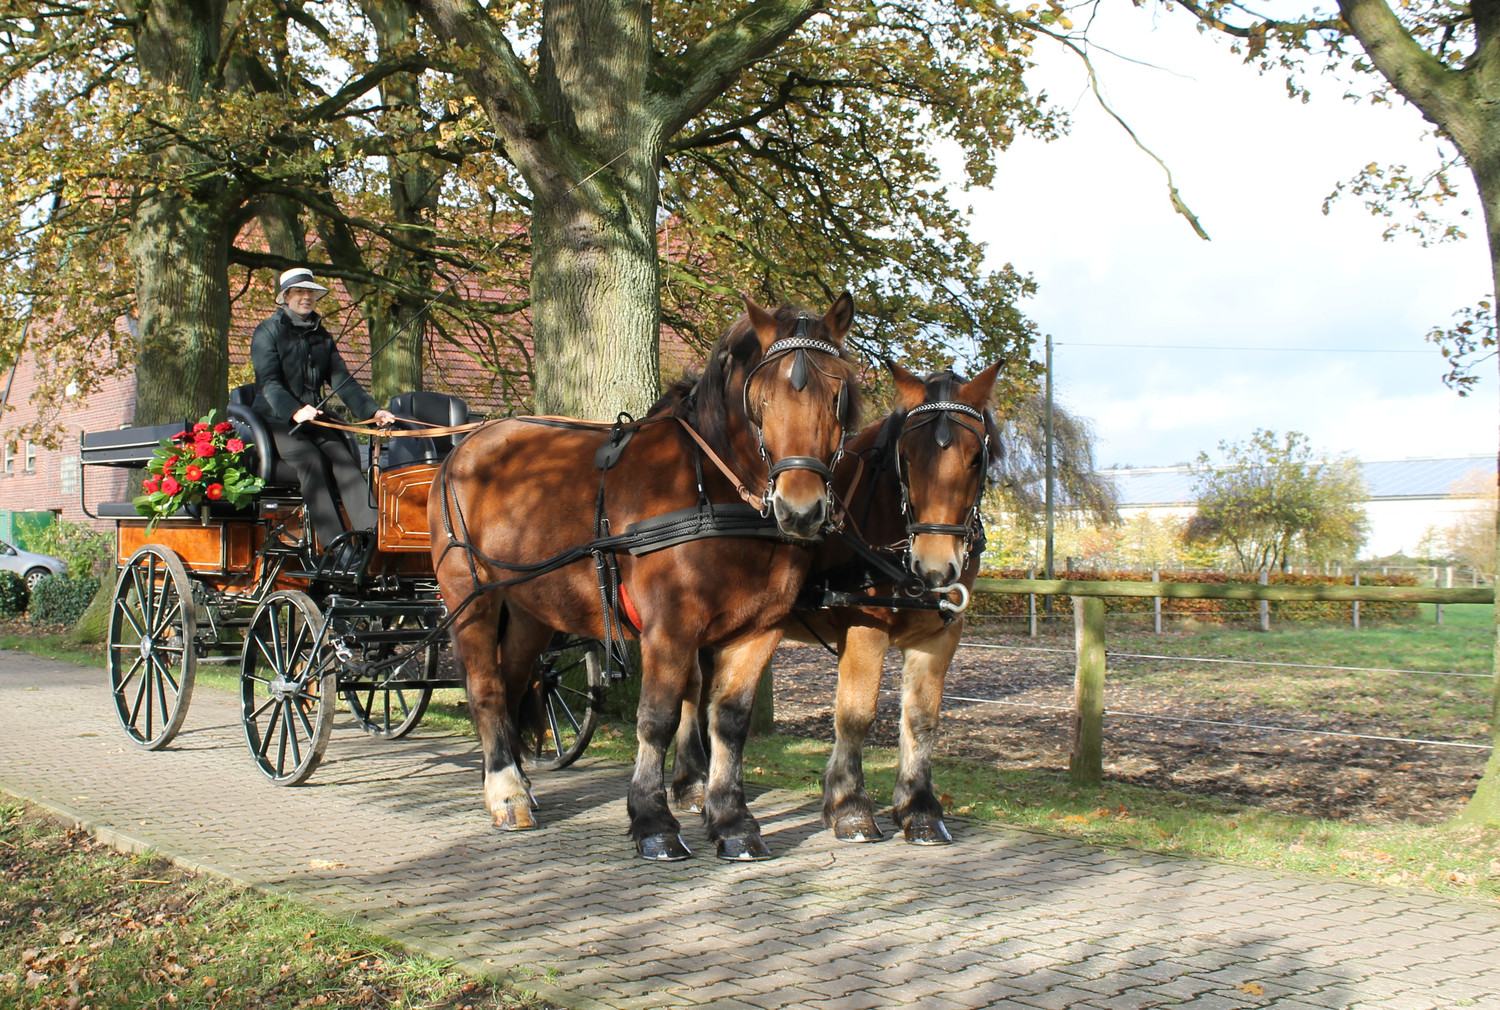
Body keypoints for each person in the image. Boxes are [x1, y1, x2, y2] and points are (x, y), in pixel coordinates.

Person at [250, 267, 396, 559]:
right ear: (286, 297)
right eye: (300, 292)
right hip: (275, 420)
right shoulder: (267, 331)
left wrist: (373, 411)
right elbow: (269, 382)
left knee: (344, 460)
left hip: (314, 416)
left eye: (311, 292)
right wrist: (294, 410)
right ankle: (338, 546)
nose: (306, 297)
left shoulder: (322, 336)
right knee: (311, 461)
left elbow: (343, 381)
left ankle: (374, 536)